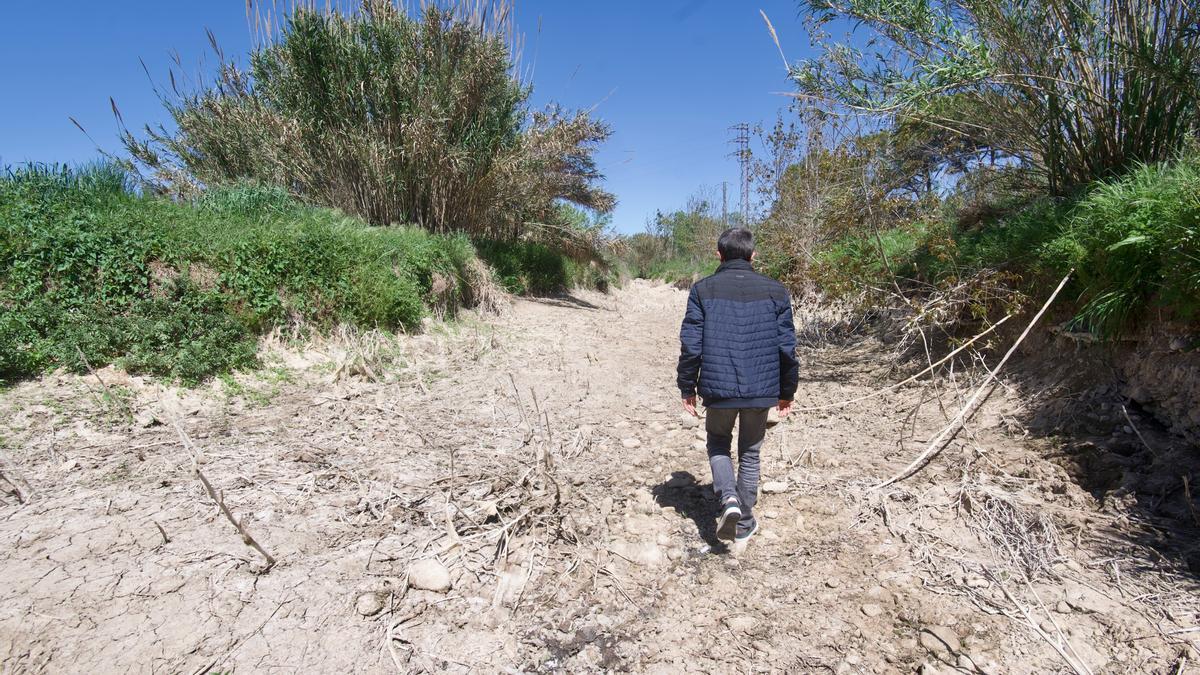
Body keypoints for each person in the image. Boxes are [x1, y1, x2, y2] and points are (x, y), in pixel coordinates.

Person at [676, 227, 799, 544]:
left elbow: (691, 346)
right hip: (761, 388)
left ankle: (728, 498)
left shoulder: (703, 290)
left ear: (719, 255)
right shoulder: (776, 290)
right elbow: (787, 347)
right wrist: (787, 391)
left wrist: (687, 386)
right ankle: (743, 520)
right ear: (752, 255)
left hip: (718, 390)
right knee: (750, 451)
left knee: (718, 442)